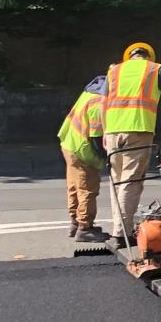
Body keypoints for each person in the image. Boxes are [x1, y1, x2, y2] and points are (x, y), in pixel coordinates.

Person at [98, 41, 161, 246]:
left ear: (130, 56)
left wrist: (104, 131)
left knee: (117, 182)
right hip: (138, 129)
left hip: (112, 131)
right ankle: (121, 233)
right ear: (149, 56)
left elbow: (102, 102)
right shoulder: (157, 69)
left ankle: (118, 229)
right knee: (131, 182)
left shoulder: (114, 71)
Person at [56, 87, 108, 242]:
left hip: (69, 144)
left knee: (74, 186)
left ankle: (75, 222)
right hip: (82, 150)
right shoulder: (99, 103)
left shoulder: (90, 93)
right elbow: (96, 138)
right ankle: (85, 228)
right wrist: (107, 157)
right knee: (87, 189)